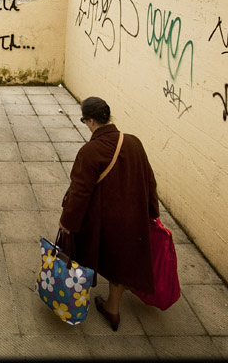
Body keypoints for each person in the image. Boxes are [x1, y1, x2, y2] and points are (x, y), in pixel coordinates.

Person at [58, 96, 159, 331]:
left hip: (103, 222)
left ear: (91, 120)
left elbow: (79, 192)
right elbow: (150, 181)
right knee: (120, 264)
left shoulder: (90, 151)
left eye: (84, 120)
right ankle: (113, 310)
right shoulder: (134, 142)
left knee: (85, 256)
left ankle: (75, 300)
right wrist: (152, 212)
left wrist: (67, 222)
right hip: (133, 218)